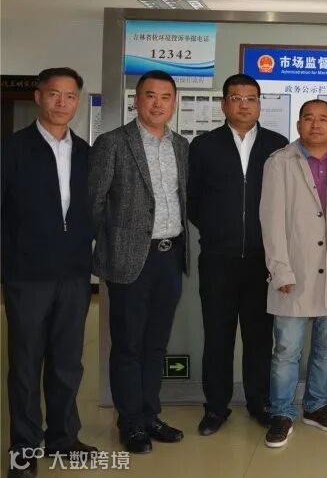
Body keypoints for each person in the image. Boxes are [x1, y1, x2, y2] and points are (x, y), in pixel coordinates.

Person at [2, 67, 96, 478]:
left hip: (74, 274)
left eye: (70, 96)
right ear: (38, 97)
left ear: (78, 102)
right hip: (27, 276)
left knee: (67, 362)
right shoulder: (12, 150)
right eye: (54, 94)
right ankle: (23, 449)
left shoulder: (87, 153)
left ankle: (62, 437)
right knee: (25, 364)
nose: (62, 103)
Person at [90, 70, 188, 453]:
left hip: (170, 256)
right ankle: (129, 421)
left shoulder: (181, 146)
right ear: (136, 100)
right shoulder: (113, 143)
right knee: (128, 345)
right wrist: (111, 248)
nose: (158, 103)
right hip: (131, 259)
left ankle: (149, 414)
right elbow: (94, 204)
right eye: (150, 95)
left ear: (174, 102)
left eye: (165, 97)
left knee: (156, 344)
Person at [188, 73, 289, 436]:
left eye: (250, 98)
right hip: (218, 258)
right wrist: (218, 230)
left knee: (259, 337)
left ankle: (258, 402)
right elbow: (192, 200)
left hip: (263, 259)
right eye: (236, 98)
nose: (243, 105)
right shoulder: (204, 146)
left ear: (260, 104)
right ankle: (216, 407)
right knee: (218, 335)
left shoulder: (277, 146)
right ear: (224, 104)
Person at [259, 99, 327, 448]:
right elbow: (270, 220)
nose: (316, 124)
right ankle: (282, 413)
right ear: (299, 125)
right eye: (309, 118)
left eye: (323, 119)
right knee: (287, 350)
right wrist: (279, 270)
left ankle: (316, 406)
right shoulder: (280, 162)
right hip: (294, 272)